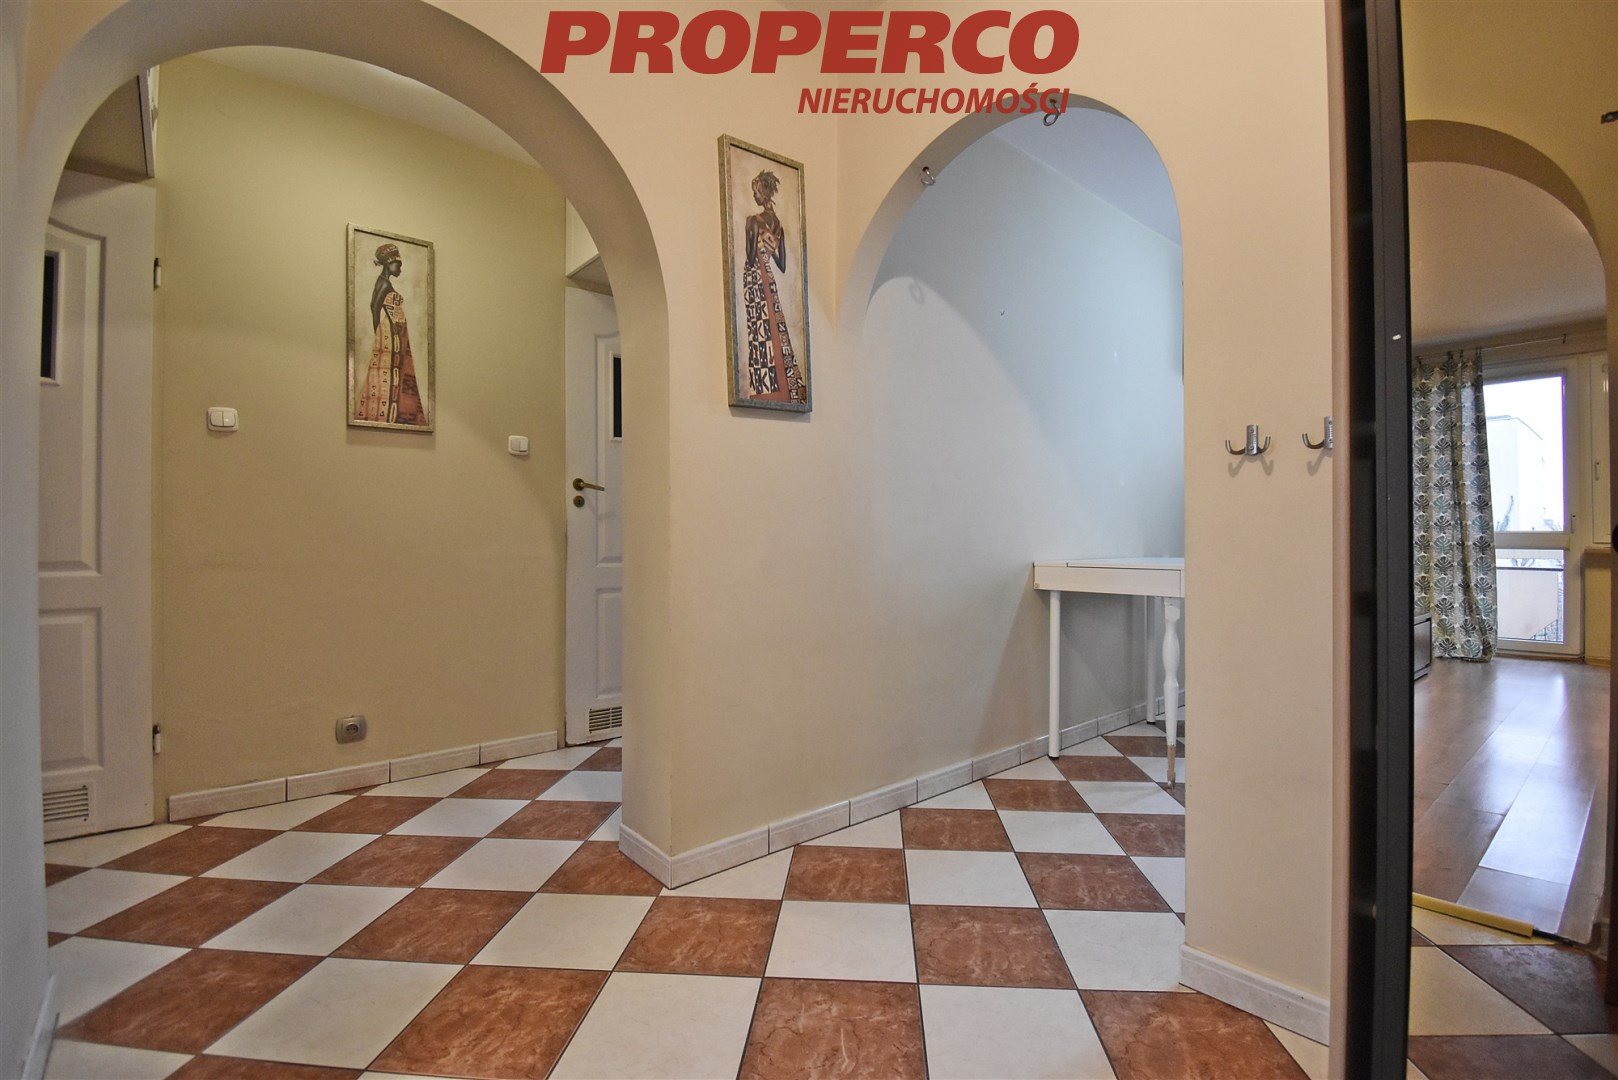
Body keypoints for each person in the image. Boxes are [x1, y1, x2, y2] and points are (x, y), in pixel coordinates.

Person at [741, 170, 806, 405]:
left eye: (756, 191)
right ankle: (782, 389)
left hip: (755, 279)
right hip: (768, 276)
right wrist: (768, 248)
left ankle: (764, 390)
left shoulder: (753, 221)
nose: (755, 196)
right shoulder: (778, 226)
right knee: (773, 328)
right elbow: (782, 264)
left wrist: (754, 242)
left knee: (761, 331)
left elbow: (750, 257)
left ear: (765, 192)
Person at [355, 241, 429, 426]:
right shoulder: (384, 283)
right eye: (398, 265)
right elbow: (374, 307)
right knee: (390, 372)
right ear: (389, 263)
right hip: (391, 333)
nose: (400, 269)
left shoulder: (385, 283)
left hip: (397, 333)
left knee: (400, 372)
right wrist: (379, 333)